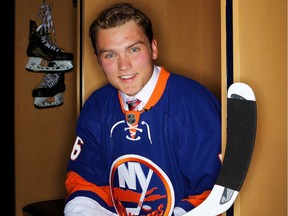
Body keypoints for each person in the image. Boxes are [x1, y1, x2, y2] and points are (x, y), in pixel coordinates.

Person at [64, 2, 221, 216]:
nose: (124, 65)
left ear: (153, 49)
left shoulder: (194, 105)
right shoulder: (97, 106)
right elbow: (85, 183)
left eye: (134, 49)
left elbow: (211, 192)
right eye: (110, 55)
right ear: (99, 60)